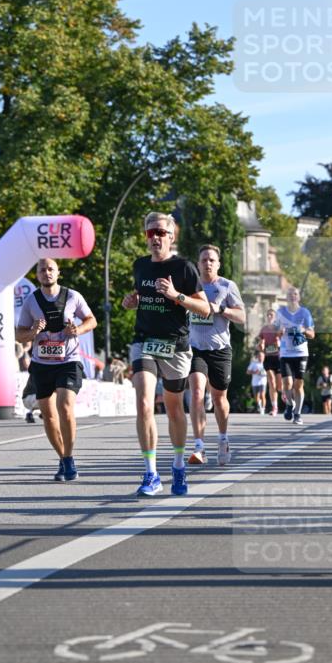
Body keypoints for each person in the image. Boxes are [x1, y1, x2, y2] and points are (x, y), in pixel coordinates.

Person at [122, 212, 210, 496]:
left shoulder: (184, 268)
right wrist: (130, 302)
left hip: (176, 345)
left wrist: (176, 296)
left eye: (161, 232)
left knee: (174, 408)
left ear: (172, 236)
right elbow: (140, 298)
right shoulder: (140, 266)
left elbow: (205, 308)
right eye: (150, 233)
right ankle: (151, 473)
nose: (155, 237)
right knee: (145, 403)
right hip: (144, 341)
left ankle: (178, 465)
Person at [15, 258, 97, 481]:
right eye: (42, 270)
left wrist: (78, 329)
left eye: (51, 269)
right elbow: (18, 334)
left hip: (68, 361)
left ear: (58, 273)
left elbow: (92, 320)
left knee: (65, 405)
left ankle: (69, 458)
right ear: (37, 275)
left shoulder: (72, 296)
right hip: (42, 364)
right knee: (49, 416)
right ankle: (63, 458)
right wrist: (32, 332)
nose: (46, 272)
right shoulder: (31, 301)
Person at [187, 244, 246, 465]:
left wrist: (221, 309)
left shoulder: (227, 286)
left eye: (212, 260)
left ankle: (223, 438)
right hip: (195, 349)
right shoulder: (190, 286)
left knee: (220, 398)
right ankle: (199, 446)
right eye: (204, 260)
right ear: (198, 263)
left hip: (220, 349)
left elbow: (242, 317)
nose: (208, 263)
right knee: (196, 394)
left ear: (218, 264)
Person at [277, 287, 315, 427]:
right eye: (290, 294)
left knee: (298, 385)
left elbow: (312, 334)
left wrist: (304, 330)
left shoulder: (305, 313)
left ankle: (297, 414)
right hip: (286, 352)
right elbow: (275, 331)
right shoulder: (280, 312)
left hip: (301, 353)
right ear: (286, 297)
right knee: (287, 384)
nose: (292, 296)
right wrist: (280, 331)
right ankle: (289, 403)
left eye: (295, 294)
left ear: (299, 297)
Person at [257, 308, 282, 416]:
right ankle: (274, 407)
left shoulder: (279, 329)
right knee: (272, 382)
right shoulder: (263, 329)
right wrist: (261, 346)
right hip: (268, 358)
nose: (270, 317)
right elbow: (260, 346)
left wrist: (278, 343)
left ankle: (285, 395)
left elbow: (282, 344)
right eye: (268, 315)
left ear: (275, 317)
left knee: (280, 386)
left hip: (279, 358)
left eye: (271, 315)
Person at [247, 350, 267, 414]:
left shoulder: (266, 363)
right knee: (256, 397)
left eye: (262, 356)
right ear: (257, 357)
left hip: (263, 382)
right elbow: (248, 372)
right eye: (259, 356)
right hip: (255, 382)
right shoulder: (254, 363)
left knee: (262, 395)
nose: (260, 357)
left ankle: (263, 409)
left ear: (264, 357)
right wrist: (255, 372)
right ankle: (259, 405)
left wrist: (264, 373)